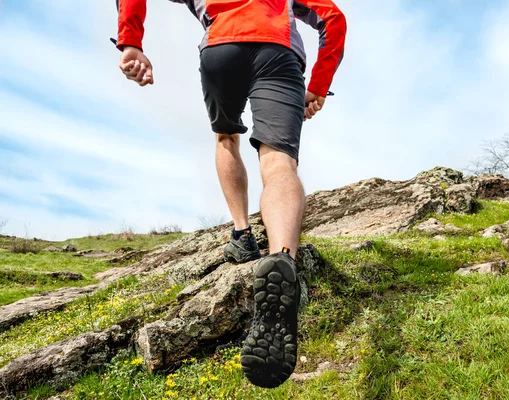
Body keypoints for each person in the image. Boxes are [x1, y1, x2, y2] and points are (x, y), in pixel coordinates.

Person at [115, 0, 346, 388]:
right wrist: (318, 86)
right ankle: (281, 259)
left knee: (226, 138)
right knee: (279, 163)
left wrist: (130, 43)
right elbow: (333, 18)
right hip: (279, 49)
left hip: (221, 47)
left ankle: (242, 236)